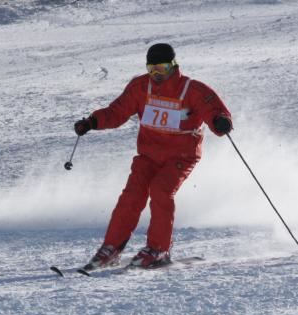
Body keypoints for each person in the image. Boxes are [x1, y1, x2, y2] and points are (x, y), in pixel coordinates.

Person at [74, 43, 233, 270]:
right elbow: (117, 111)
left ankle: (158, 249)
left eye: (162, 68)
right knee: (132, 195)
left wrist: (220, 121)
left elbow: (214, 110)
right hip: (148, 154)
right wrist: (92, 122)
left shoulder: (192, 89)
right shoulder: (141, 86)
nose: (156, 74)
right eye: (152, 69)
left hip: (181, 155)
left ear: (173, 65)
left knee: (161, 190)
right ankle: (111, 248)